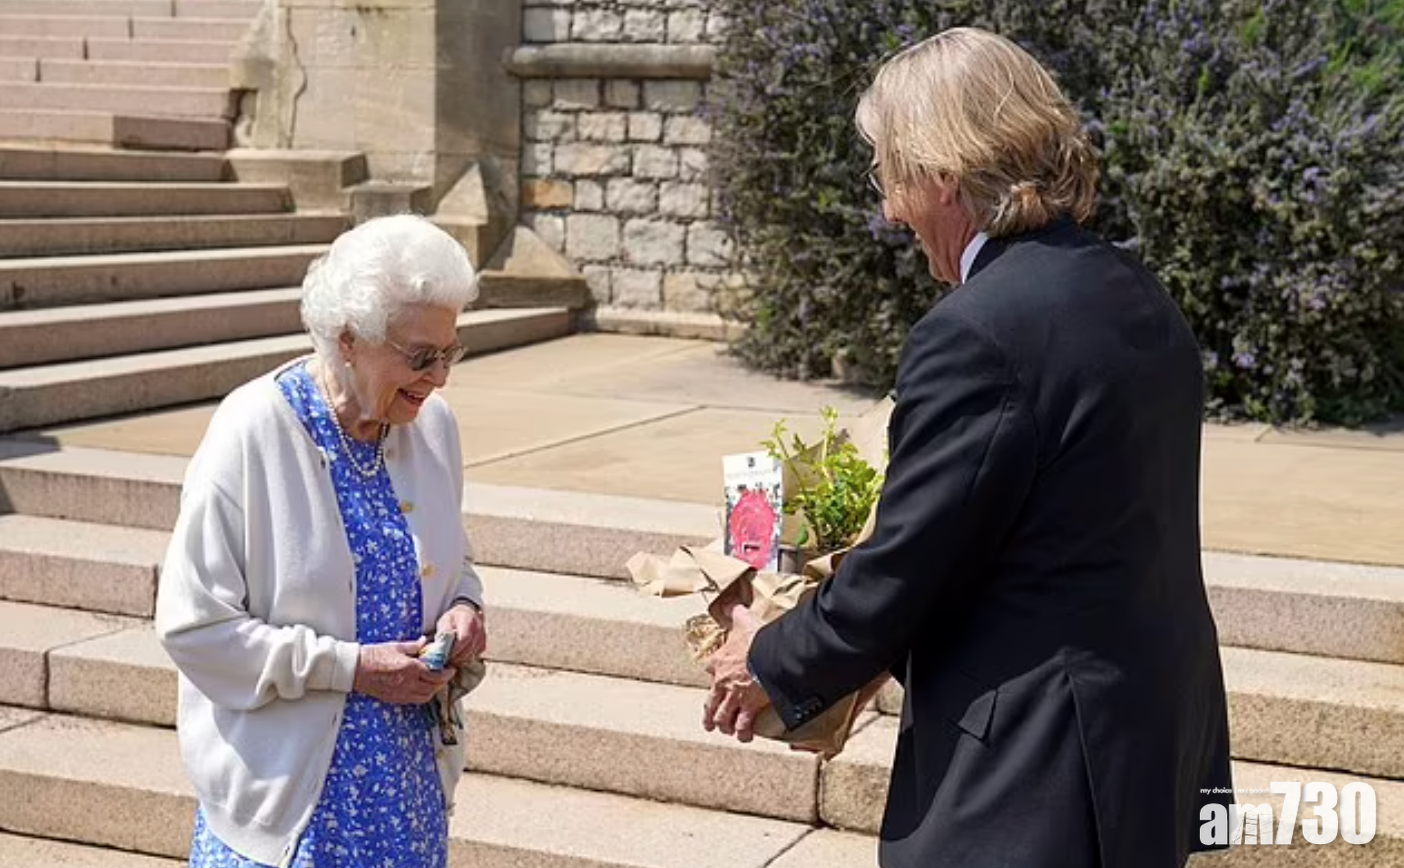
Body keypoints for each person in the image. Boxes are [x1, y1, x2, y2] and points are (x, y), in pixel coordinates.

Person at [703, 27, 1233, 868]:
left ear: (944, 173)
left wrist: (765, 657)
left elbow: (908, 563)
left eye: (890, 172)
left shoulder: (976, 331)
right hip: (1148, 736)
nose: (889, 209)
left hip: (1039, 771)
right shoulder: (1133, 289)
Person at [156, 214, 488, 868]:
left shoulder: (432, 426)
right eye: (421, 356)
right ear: (348, 340)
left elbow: (454, 558)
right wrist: (350, 668)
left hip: (406, 794)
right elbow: (194, 628)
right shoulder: (253, 430)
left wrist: (464, 607)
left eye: (450, 352)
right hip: (289, 811)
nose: (440, 377)